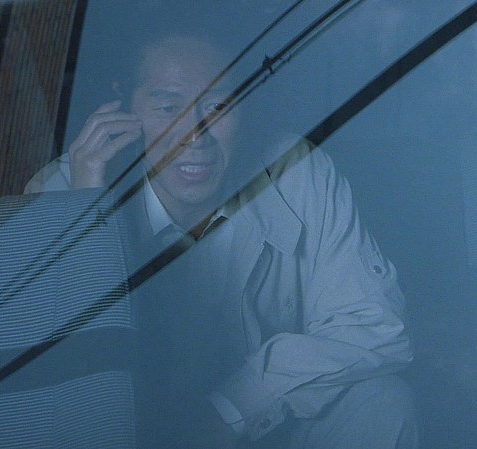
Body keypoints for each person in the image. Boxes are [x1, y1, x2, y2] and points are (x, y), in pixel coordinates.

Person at [25, 34, 417, 449]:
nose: (195, 136)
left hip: (267, 425)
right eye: (168, 108)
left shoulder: (296, 170)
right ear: (124, 108)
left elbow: (376, 325)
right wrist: (89, 210)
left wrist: (230, 411)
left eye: (218, 107)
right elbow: (48, 379)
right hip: (133, 434)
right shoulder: (69, 188)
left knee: (382, 403)